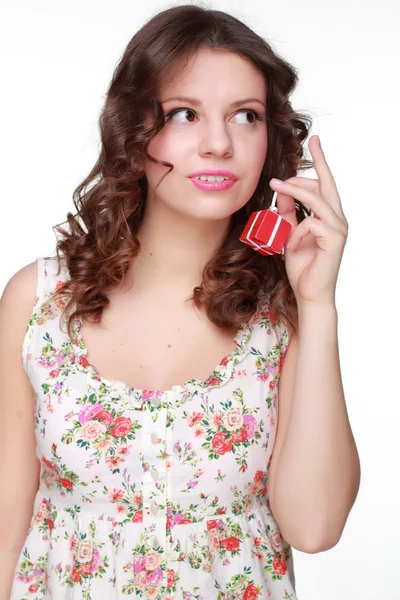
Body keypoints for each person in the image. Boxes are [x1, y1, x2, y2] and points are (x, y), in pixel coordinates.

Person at [0, 4, 360, 599]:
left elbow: (314, 527)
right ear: (133, 131)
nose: (219, 143)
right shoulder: (38, 302)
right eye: (185, 114)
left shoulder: (285, 315)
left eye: (246, 115)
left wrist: (319, 306)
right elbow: (6, 525)